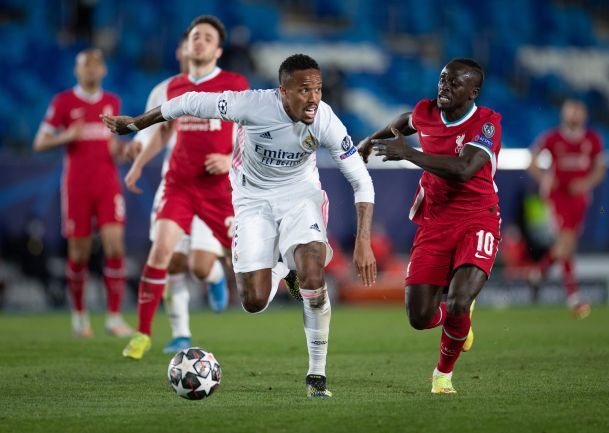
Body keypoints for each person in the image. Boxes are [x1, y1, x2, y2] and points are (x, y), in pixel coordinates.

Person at [101, 53, 377, 398]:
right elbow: (187, 102)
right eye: (304, 90)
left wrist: (363, 241)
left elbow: (361, 181)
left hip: (300, 198)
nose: (313, 98)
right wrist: (136, 124)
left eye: (318, 89)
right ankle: (283, 269)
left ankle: (316, 376)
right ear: (283, 91)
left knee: (313, 275)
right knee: (253, 301)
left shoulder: (325, 120)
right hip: (252, 201)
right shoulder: (251, 105)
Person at [358, 58, 502, 394]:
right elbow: (405, 121)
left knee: (459, 301)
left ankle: (442, 376)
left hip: (477, 218)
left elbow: (464, 169)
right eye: (442, 79)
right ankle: (457, 322)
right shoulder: (427, 111)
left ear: (473, 92)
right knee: (419, 317)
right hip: (434, 221)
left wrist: (409, 154)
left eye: (454, 83)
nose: (444, 87)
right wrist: (370, 140)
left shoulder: (487, 123)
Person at [116, 16, 249, 360]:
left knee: (220, 263)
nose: (199, 42)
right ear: (186, 46)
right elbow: (163, 131)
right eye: (195, 37)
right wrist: (139, 165)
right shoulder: (173, 86)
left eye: (207, 38)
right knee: (162, 252)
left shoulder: (234, 83)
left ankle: (218, 277)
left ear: (218, 50)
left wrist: (229, 157)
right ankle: (143, 334)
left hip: (218, 187)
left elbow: (253, 130)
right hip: (179, 184)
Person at [33, 48, 132, 338]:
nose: (91, 69)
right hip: (77, 186)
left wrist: (121, 150)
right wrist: (66, 136)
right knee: (79, 253)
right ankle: (79, 316)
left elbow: (111, 145)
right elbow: (40, 142)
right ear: (76, 71)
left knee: (115, 247)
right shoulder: (63, 101)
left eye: (96, 65)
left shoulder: (112, 102)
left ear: (103, 70)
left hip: (107, 184)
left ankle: (114, 318)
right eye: (86, 65)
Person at [527, 99, 606, 319]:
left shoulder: (592, 139)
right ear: (563, 114)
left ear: (584, 115)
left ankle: (538, 273)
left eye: (578, 112)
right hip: (557, 196)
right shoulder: (552, 138)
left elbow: (600, 169)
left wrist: (586, 183)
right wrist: (545, 179)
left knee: (566, 245)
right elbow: (531, 159)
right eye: (571, 111)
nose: (574, 115)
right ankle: (574, 297)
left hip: (579, 199)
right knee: (566, 242)